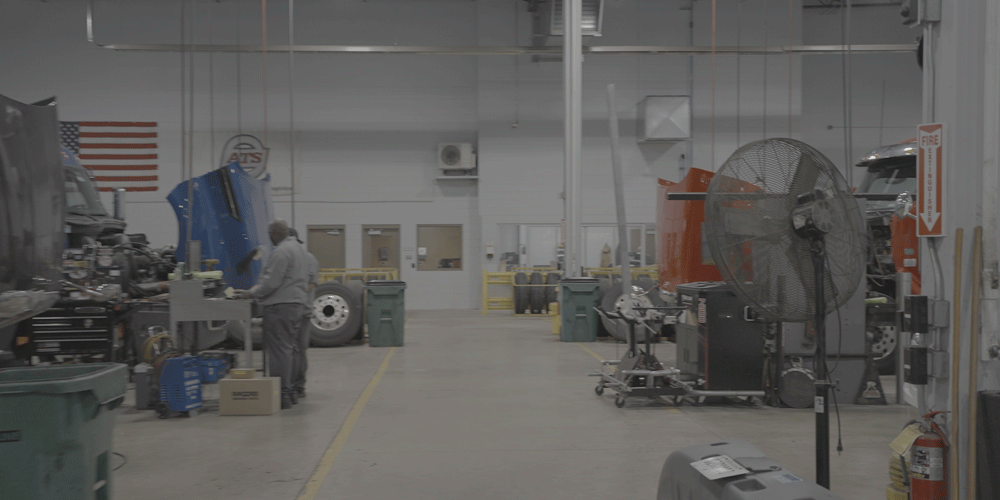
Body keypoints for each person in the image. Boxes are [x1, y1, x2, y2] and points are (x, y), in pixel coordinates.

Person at [241, 220, 309, 409]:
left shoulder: (281, 252)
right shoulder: (297, 248)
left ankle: (282, 394)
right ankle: (292, 391)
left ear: (274, 234)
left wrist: (251, 293)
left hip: (281, 306)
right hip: (296, 305)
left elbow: (271, 282)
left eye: (270, 234)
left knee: (279, 352)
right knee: (290, 349)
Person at [288, 228, 318, 400]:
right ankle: (292, 385)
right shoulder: (305, 258)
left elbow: (312, 283)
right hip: (295, 309)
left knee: (298, 349)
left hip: (302, 310)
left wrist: (295, 294)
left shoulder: (308, 259)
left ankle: (298, 386)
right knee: (293, 350)